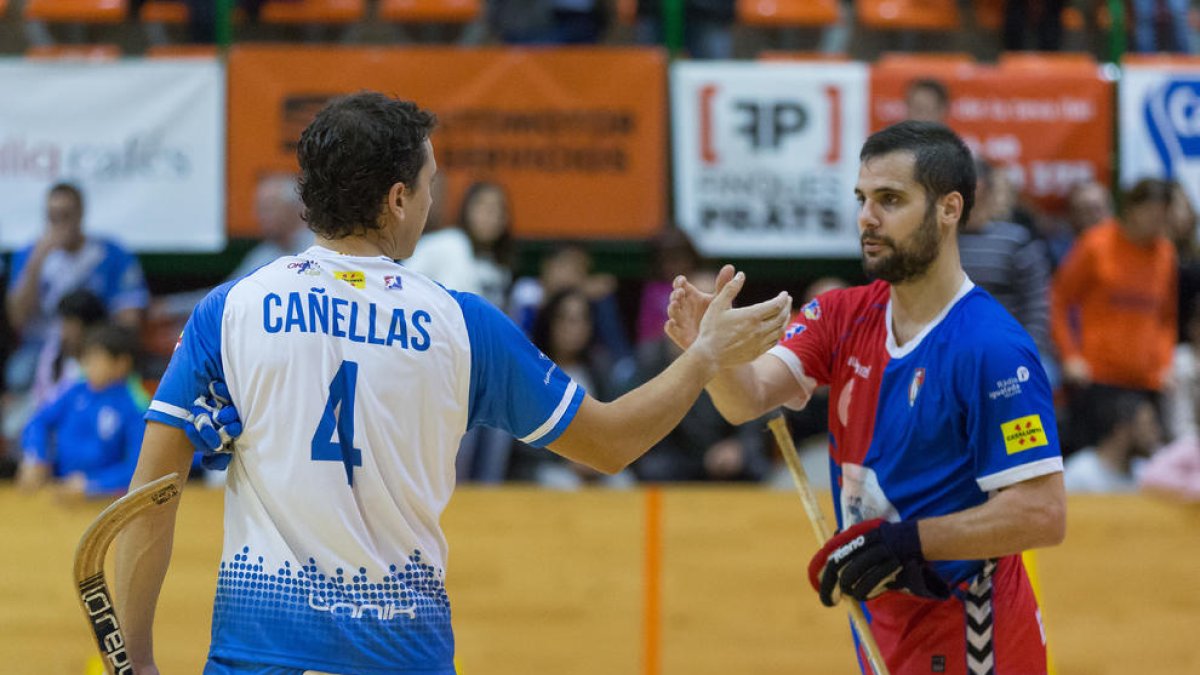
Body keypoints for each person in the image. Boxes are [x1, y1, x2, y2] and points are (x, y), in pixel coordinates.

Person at [113, 92, 791, 675]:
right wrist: (703, 356)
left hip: (258, 656)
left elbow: (149, 498)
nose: (433, 203)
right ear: (398, 197)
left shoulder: (229, 311)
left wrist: (136, 657)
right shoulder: (461, 324)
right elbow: (610, 443)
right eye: (431, 185)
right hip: (404, 654)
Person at [667, 120, 1066, 673]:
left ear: (949, 209)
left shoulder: (992, 350)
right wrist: (707, 353)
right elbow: (747, 398)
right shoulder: (842, 314)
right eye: (861, 198)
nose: (866, 218)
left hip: (975, 641)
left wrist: (907, 542)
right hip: (885, 632)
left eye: (890, 199)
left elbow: (1042, 513)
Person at [1051, 178, 1177, 452]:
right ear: (1131, 209)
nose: (1158, 221)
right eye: (1152, 212)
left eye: (1164, 214)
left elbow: (1166, 318)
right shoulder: (1096, 244)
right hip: (1098, 377)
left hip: (1147, 382)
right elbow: (1059, 300)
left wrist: (1165, 363)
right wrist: (1071, 355)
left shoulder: (1166, 254)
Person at [5, 182, 148, 393]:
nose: (60, 224)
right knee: (18, 374)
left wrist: (94, 341)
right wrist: (36, 263)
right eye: (53, 217)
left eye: (66, 215)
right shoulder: (29, 255)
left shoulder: (110, 253)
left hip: (93, 346)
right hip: (40, 346)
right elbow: (17, 318)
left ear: (80, 213)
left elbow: (129, 319)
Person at [15, 325, 145, 501]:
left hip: (103, 501)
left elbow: (138, 468)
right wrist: (36, 457)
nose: (88, 367)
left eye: (97, 360)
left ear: (122, 363)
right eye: (87, 359)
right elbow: (37, 422)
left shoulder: (135, 406)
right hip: (59, 490)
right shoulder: (74, 393)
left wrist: (92, 485)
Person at [958, 158, 1054, 384]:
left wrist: (1026, 350)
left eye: (978, 191)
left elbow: (1037, 304)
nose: (972, 200)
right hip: (952, 351)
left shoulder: (1017, 240)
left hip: (1010, 348)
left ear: (990, 193)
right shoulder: (939, 243)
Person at [1063, 389, 1159, 492]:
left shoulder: (1144, 473)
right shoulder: (1080, 474)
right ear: (1122, 430)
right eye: (1148, 425)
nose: (1156, 433)